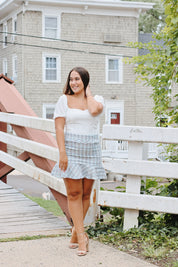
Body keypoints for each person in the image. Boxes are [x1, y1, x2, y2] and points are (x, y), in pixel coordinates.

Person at [51, 66, 106, 256]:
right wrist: (62, 153)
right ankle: (83, 238)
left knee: (86, 195)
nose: (73, 83)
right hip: (71, 151)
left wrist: (88, 93)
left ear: (85, 81)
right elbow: (59, 129)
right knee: (74, 193)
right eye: (71, 79)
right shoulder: (63, 100)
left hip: (91, 152)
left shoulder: (96, 100)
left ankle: (76, 232)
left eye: (78, 79)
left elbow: (95, 110)